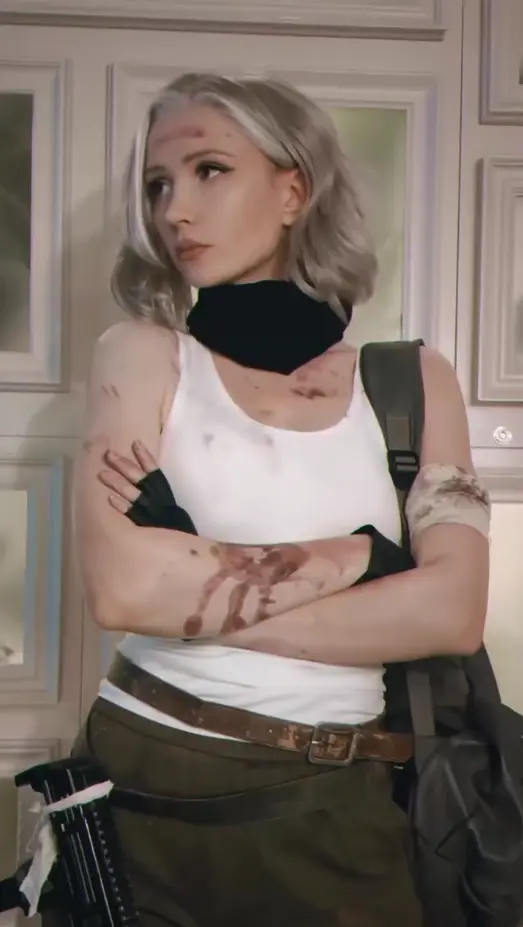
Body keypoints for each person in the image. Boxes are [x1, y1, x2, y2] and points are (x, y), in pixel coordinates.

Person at [65, 72, 490, 927]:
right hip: (146, 772)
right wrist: (361, 558)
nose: (175, 210)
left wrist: (196, 594)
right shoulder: (141, 354)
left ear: (293, 191)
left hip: (337, 796)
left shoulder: (410, 380)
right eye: (158, 185)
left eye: (208, 170)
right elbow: (122, 592)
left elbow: (451, 613)